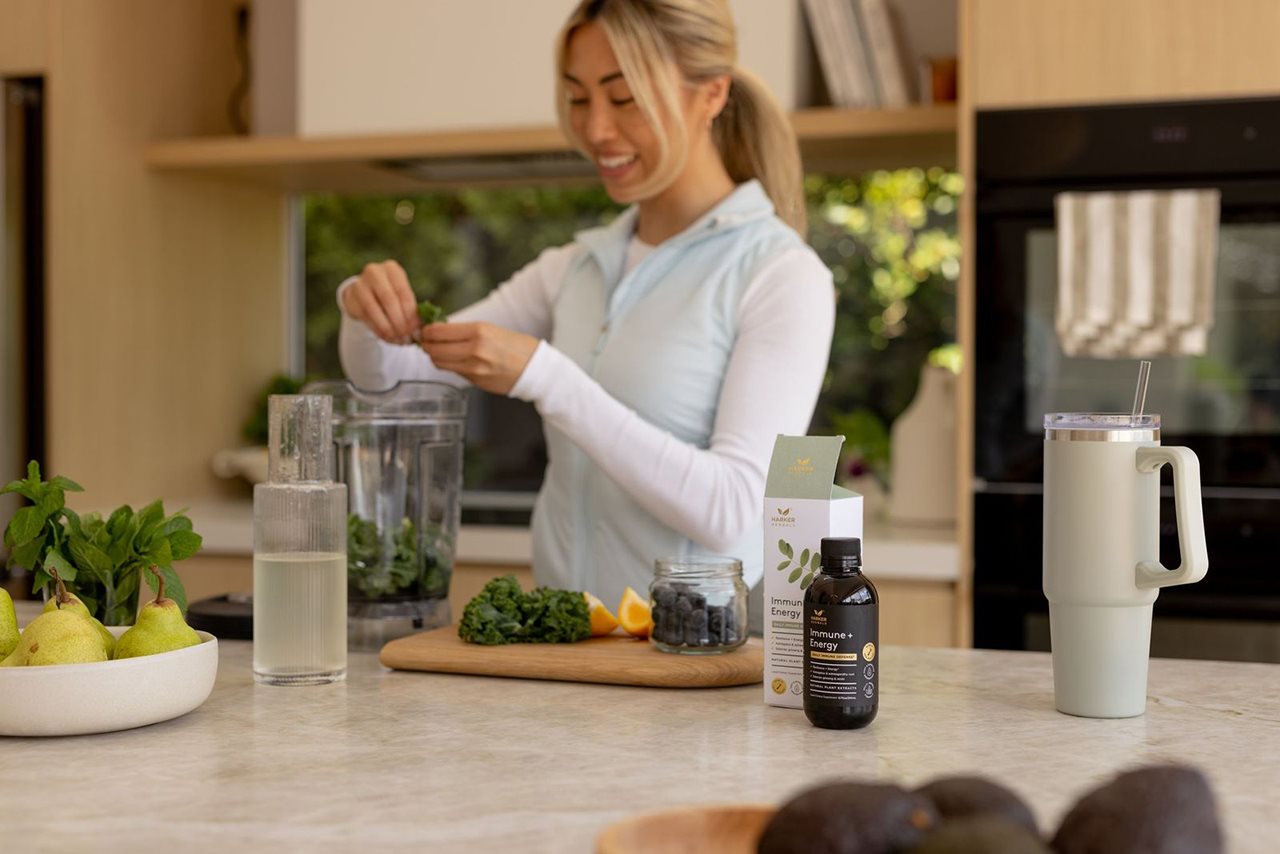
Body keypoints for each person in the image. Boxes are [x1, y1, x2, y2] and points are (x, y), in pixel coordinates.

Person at [337, 0, 835, 610]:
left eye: (624, 98)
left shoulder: (780, 274)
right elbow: (394, 380)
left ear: (711, 95)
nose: (596, 129)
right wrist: (362, 312)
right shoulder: (574, 267)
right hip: (573, 642)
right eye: (578, 98)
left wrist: (548, 378)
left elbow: (732, 510)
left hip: (701, 657)